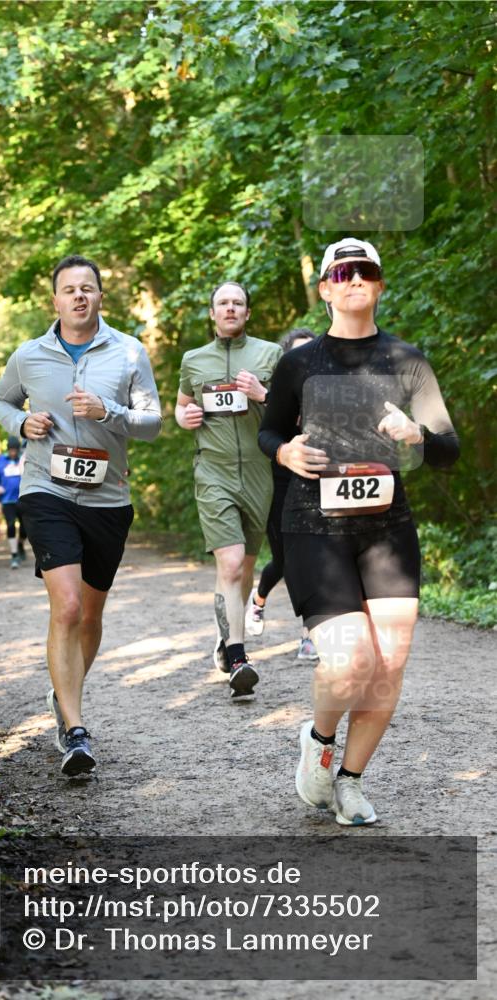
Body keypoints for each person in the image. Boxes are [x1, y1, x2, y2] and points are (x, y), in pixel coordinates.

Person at [258, 238, 459, 825]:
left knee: (390, 660)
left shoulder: (407, 361)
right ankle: (319, 744)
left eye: (364, 271)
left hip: (387, 530)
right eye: (340, 272)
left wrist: (415, 434)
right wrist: (287, 452)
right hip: (313, 528)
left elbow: (448, 450)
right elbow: (268, 434)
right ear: (324, 288)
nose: (353, 280)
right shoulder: (298, 362)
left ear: (378, 285)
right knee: (349, 662)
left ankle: (350, 782)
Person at [0, 254, 161, 777]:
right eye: (69, 289)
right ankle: (75, 729)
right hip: (46, 491)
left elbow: (152, 422)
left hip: (109, 499)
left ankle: (63, 693)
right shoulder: (30, 355)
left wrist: (109, 413)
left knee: (89, 615)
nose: (79, 296)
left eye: (88, 288)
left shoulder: (129, 351)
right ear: (56, 300)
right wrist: (23, 422)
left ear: (100, 296)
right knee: (65, 608)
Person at [176, 281, 281, 699]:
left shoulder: (270, 354)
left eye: (238, 303)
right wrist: (184, 417)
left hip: (259, 471)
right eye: (223, 303)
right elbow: (182, 404)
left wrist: (262, 394)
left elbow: (292, 412)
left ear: (248, 313)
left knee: (246, 567)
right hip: (213, 471)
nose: (231, 309)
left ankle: (226, 638)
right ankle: (238, 657)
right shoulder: (193, 360)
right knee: (232, 563)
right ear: (213, 312)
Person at [244, 329, 320, 662]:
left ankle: (310, 633)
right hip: (280, 482)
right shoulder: (279, 393)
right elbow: (271, 429)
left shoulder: (328, 389)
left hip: (321, 481)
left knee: (318, 558)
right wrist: (264, 396)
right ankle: (259, 598)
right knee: (287, 560)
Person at [0, 438, 27, 568]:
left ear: (18, 450)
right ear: (8, 449)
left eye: (15, 450)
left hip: (23, 498)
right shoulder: (1, 460)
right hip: (7, 500)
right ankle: (14, 555)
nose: (13, 452)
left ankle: (20, 544)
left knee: (25, 529)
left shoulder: (23, 460)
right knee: (11, 525)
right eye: (11, 450)